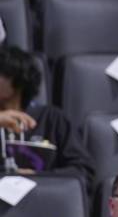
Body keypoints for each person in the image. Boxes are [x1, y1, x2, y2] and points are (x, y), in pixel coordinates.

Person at [0, 46, 94, 193]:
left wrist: (41, 178)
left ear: (18, 79)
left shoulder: (53, 119)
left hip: (45, 203)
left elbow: (82, 171)